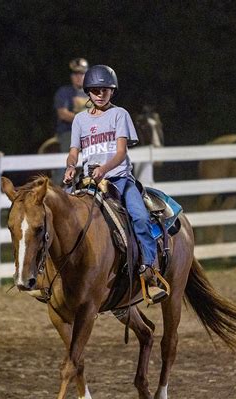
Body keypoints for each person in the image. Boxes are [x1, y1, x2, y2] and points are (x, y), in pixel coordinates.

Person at [63, 65, 168, 304]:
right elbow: (74, 151)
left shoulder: (120, 115)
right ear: (88, 92)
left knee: (139, 217)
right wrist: (70, 166)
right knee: (57, 215)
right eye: (96, 90)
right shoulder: (79, 120)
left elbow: (121, 153)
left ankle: (150, 274)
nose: (100, 94)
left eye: (105, 90)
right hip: (89, 181)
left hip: (119, 179)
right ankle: (48, 275)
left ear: (112, 91)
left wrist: (104, 169)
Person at [52, 58, 89, 184]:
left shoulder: (92, 93)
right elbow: (62, 114)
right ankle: (55, 188)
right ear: (72, 76)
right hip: (70, 131)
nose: (79, 77)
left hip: (90, 133)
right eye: (75, 74)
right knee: (66, 161)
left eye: (82, 74)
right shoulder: (64, 92)